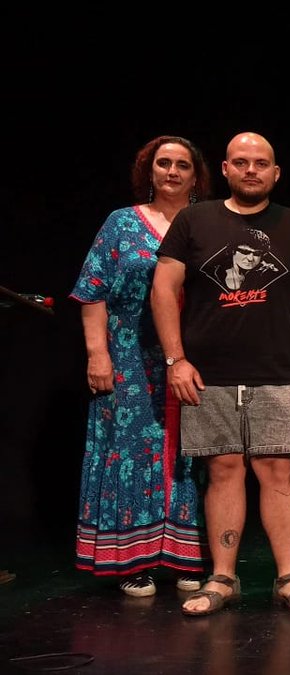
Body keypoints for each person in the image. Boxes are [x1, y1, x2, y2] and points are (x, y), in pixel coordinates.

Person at [150, 131, 290, 616]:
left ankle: (288, 578)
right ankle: (223, 578)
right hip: (210, 375)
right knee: (223, 471)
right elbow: (164, 289)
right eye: (241, 162)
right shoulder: (194, 220)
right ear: (226, 169)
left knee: (278, 472)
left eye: (261, 163)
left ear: (275, 173)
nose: (251, 170)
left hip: (282, 373)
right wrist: (176, 359)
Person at [71, 135, 212, 597]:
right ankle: (134, 561)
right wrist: (98, 353)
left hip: (193, 356)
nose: (172, 171)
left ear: (196, 175)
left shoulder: (206, 224)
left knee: (189, 455)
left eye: (182, 165)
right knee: (132, 453)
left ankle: (184, 556)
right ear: (149, 172)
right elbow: (93, 290)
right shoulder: (122, 223)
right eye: (163, 163)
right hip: (130, 358)